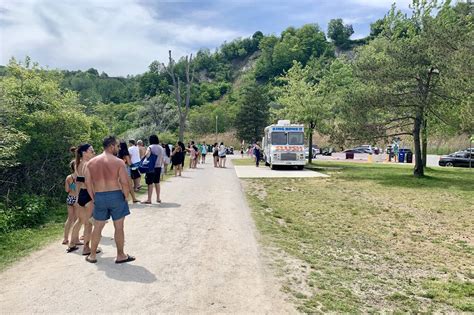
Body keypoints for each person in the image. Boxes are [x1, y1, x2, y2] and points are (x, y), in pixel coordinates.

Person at [84, 135, 135, 264]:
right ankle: (120, 255)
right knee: (119, 227)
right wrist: (125, 196)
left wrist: (94, 197)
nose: (118, 148)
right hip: (116, 195)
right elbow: (124, 182)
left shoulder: (91, 163)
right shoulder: (118, 162)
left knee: (97, 227)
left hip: (99, 196)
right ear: (111, 146)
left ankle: (93, 255)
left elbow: (88, 184)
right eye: (117, 146)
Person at [67, 143, 96, 255]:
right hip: (88, 195)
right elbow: (89, 183)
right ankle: (86, 248)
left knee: (80, 221)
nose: (93, 152)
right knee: (89, 224)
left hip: (81, 195)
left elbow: (78, 182)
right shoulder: (88, 164)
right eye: (91, 150)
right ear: (84, 153)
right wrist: (93, 197)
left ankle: (71, 244)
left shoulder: (77, 164)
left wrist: (78, 197)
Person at [141, 135, 164, 204]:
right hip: (158, 166)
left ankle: (149, 199)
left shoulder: (150, 147)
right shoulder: (160, 147)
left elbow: (147, 155)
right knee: (157, 182)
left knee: (150, 183)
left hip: (151, 167)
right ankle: (158, 198)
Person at [63, 160, 78, 245]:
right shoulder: (80, 176)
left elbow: (66, 190)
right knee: (77, 220)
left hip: (70, 198)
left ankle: (65, 238)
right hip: (76, 199)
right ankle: (75, 239)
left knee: (69, 219)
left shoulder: (68, 177)